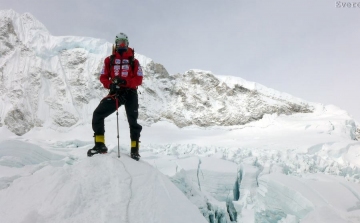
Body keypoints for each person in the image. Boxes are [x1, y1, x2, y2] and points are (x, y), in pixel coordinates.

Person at [87, 32, 143, 160]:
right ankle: (100, 145)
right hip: (116, 93)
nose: (121, 45)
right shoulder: (109, 60)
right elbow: (103, 77)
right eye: (119, 42)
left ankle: (135, 150)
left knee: (133, 121)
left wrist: (126, 82)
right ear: (115, 44)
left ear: (128, 44)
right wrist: (110, 85)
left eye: (124, 42)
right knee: (98, 114)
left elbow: (139, 79)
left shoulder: (134, 61)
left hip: (131, 93)